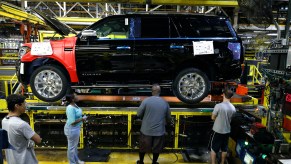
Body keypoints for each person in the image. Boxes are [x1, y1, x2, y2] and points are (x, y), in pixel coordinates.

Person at [136, 84, 172, 164]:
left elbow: (138, 114)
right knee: (157, 148)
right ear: (160, 92)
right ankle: (154, 162)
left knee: (143, 147)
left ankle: (141, 162)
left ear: (152, 92)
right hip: (159, 131)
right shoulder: (165, 102)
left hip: (146, 130)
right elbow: (169, 118)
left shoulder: (146, 101)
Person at [1, 94, 42, 164]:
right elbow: (38, 140)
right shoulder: (21, 124)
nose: (25, 106)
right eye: (24, 104)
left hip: (12, 160)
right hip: (25, 160)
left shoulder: (4, 120)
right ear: (17, 106)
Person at [210, 89, 236, 164]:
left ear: (223, 95)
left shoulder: (218, 106)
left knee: (214, 149)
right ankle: (222, 162)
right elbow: (231, 118)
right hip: (227, 131)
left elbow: (213, 117)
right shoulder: (233, 108)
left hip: (218, 130)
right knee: (224, 148)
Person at [64, 93, 87, 164]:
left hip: (75, 128)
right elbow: (72, 122)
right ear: (72, 99)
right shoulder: (70, 108)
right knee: (71, 148)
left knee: (74, 147)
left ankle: (76, 160)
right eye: (76, 96)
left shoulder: (75, 105)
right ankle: (72, 162)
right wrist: (82, 119)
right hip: (71, 129)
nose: (78, 96)